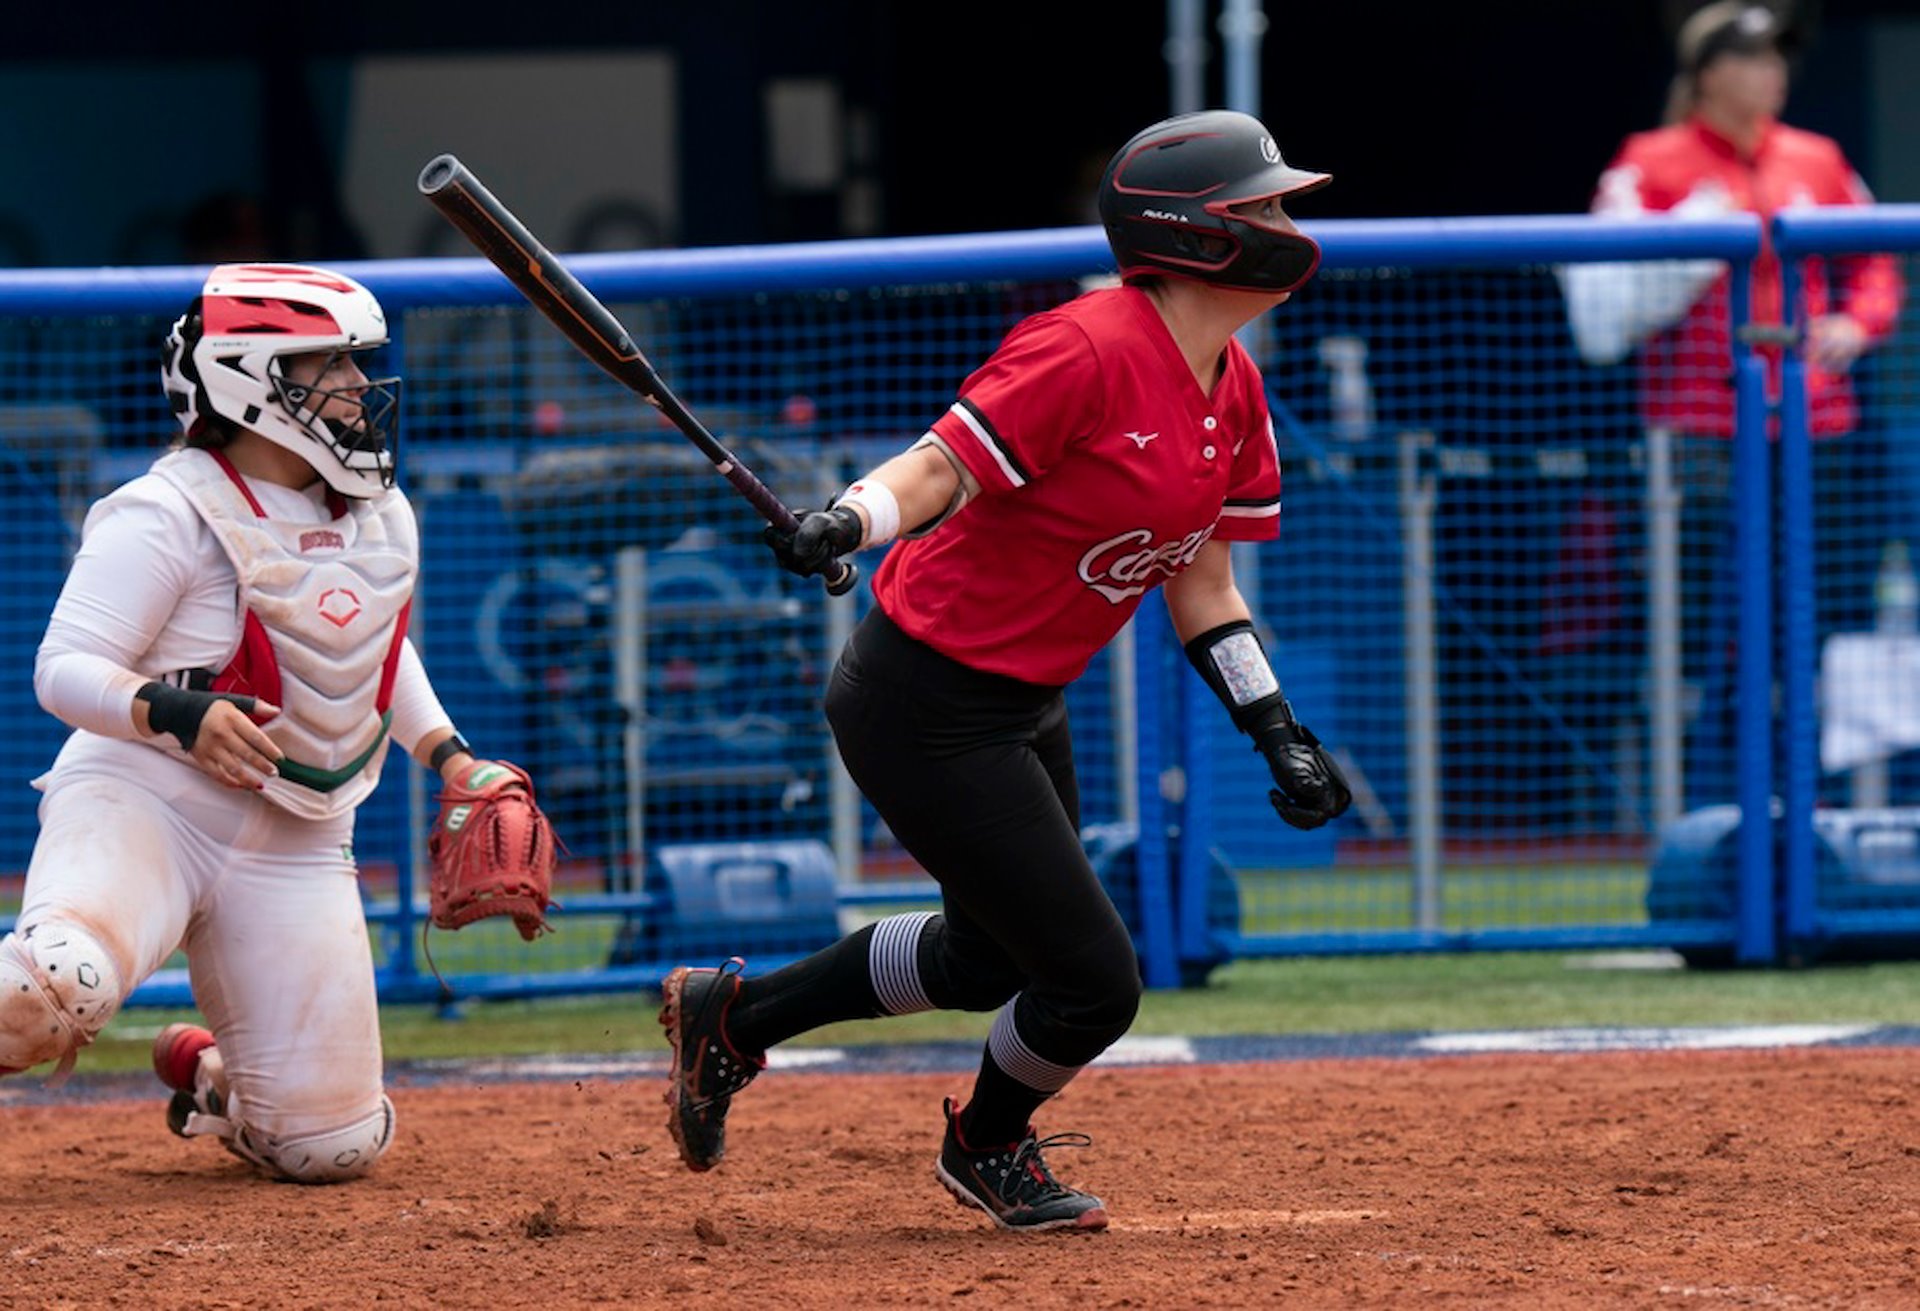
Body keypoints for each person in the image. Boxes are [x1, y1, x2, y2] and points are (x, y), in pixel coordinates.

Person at [657, 111, 1353, 1233]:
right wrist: (851, 520)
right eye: (1262, 208)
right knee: (1092, 982)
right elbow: (940, 465)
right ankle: (985, 1144)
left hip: (1022, 701)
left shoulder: (1232, 387)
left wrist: (1278, 729)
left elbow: (1206, 588)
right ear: (1195, 234)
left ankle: (731, 1020)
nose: (1286, 226)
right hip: (922, 699)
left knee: (988, 961)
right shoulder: (1086, 347)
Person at [2, 263, 517, 1183]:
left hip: (297, 836)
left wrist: (452, 757)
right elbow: (61, 670)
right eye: (330, 364)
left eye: (357, 363)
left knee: (332, 1146)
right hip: (148, 804)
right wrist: (176, 710)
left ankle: (206, 1070)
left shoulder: (381, 511)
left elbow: (371, 652)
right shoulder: (165, 509)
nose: (361, 386)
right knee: (47, 989)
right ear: (251, 378)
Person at [1559, 0, 1903, 810]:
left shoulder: (1818, 158)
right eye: (1753, 58)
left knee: (1818, 634)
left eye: (1779, 57)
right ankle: (1714, 820)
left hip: (1820, 434)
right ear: (1710, 72)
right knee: (1710, 640)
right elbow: (1602, 315)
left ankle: (1810, 821)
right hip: (1701, 440)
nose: (1773, 72)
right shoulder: (1653, 161)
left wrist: (1859, 321)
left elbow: (1876, 265)